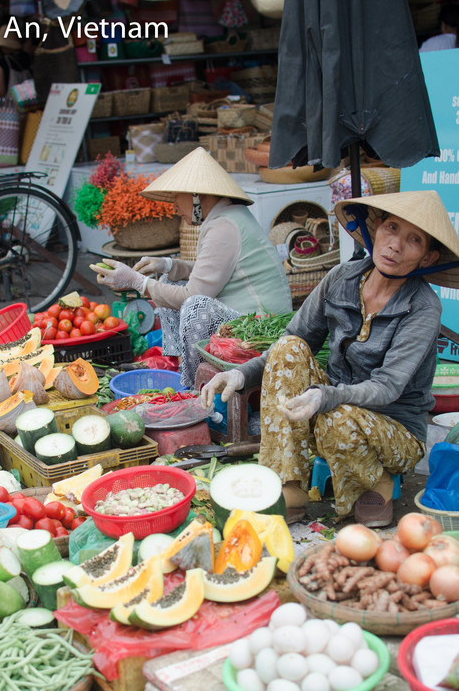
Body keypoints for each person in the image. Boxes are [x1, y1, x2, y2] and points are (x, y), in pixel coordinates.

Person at [200, 190, 459, 528]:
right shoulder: (342, 279)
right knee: (288, 348)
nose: (395, 245)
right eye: (392, 228)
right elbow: (293, 339)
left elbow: (387, 387)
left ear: (427, 257)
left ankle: (378, 481)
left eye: (413, 240)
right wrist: (240, 375)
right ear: (377, 228)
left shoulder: (423, 308)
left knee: (337, 418)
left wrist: (327, 396)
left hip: (395, 431)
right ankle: (289, 487)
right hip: (331, 410)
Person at [91, 147, 292, 386]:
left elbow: (194, 294)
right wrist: (168, 264)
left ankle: (193, 384)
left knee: (195, 305)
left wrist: (138, 282)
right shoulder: (226, 217)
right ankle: (177, 362)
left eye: (177, 197)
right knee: (169, 281)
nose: (175, 207)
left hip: (261, 329)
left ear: (196, 195)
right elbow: (213, 270)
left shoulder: (223, 226)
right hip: (247, 317)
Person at [0, 23, 32, 101]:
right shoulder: (28, 57)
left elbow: (1, 91)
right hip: (29, 101)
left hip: (12, 106)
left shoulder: (2, 63)